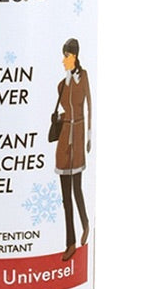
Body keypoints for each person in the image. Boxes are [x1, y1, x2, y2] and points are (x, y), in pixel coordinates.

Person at [53, 38, 92, 261]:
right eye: (63, 56)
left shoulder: (83, 78)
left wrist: (89, 135)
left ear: (74, 56)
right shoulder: (61, 85)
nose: (63, 60)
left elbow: (89, 106)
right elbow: (65, 110)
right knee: (65, 197)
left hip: (77, 139)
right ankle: (70, 242)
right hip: (63, 143)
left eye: (66, 56)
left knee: (77, 189)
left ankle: (86, 222)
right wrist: (58, 118)